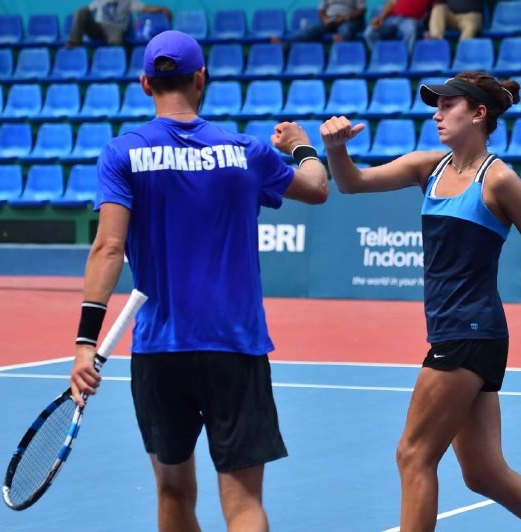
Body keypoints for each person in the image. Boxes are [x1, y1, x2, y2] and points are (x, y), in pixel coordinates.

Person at [69, 30, 328, 531]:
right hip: (236, 346)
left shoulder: (122, 154)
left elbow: (108, 248)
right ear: (201, 79)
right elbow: (317, 189)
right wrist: (301, 146)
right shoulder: (245, 151)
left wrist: (85, 343)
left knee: (171, 490)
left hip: (160, 350)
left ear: (146, 84)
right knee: (244, 502)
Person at [320, 72, 521, 531]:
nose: (437, 115)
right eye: (437, 106)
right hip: (465, 333)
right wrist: (335, 148)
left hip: (469, 332)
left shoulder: (498, 179)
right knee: (484, 472)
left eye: (448, 106)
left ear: (479, 114)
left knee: (413, 454)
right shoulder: (429, 167)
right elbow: (352, 182)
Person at [65, 0, 172, 47]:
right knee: (80, 12)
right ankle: (74, 41)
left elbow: (144, 8)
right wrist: (79, 16)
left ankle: (111, 62)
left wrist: (161, 9)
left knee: (116, 41)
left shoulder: (127, 1)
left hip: (115, 27)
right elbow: (88, 9)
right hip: (98, 27)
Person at [273, 0, 366, 45]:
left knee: (345, 31)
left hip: (349, 19)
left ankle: (341, 52)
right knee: (311, 29)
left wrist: (345, 17)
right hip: (331, 19)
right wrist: (325, 19)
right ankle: (286, 45)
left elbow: (362, 10)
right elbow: (321, 10)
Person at [364, 0, 433, 55]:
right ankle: (377, 58)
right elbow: (391, 2)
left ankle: (406, 60)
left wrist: (429, 30)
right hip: (393, 17)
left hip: (411, 20)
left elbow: (436, 9)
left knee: (410, 28)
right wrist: (381, 18)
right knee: (369, 32)